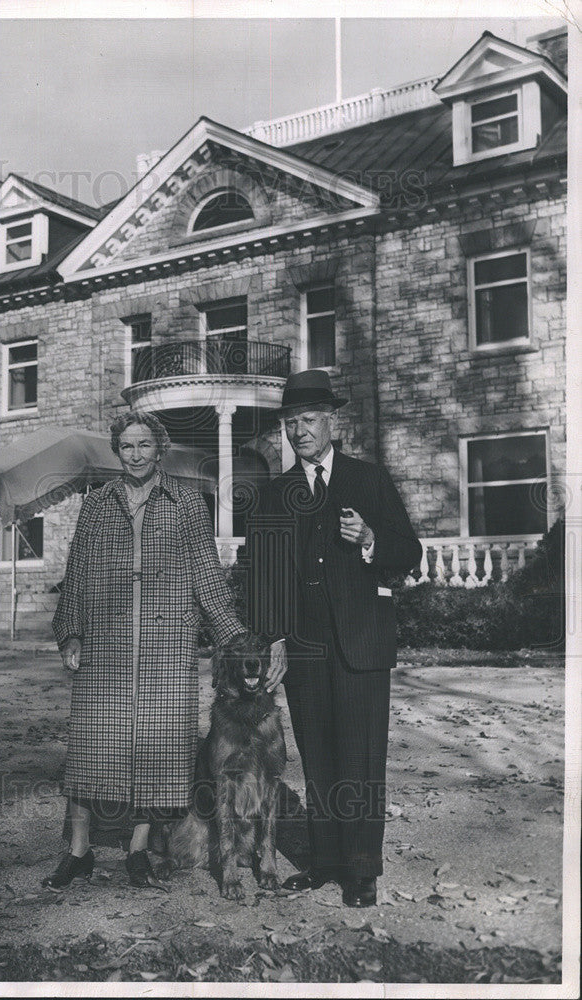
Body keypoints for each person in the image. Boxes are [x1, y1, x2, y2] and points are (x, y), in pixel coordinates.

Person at [47, 410, 251, 890]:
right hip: (106, 640)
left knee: (156, 749)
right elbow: (76, 573)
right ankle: (78, 852)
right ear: (117, 452)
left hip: (165, 643)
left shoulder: (185, 503)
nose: (136, 454)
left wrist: (233, 638)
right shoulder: (97, 504)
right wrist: (71, 632)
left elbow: (205, 573)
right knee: (90, 748)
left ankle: (137, 852)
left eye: (144, 445)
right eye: (127, 446)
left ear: (160, 450)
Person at [247, 369, 422, 907]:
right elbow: (264, 574)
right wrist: (273, 636)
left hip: (362, 642)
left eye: (308, 420)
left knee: (361, 756)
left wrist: (371, 537)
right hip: (304, 645)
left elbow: (409, 552)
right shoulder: (275, 493)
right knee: (319, 754)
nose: (299, 430)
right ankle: (324, 862)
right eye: (290, 422)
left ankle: (362, 869)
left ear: (330, 421)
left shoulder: (367, 480)